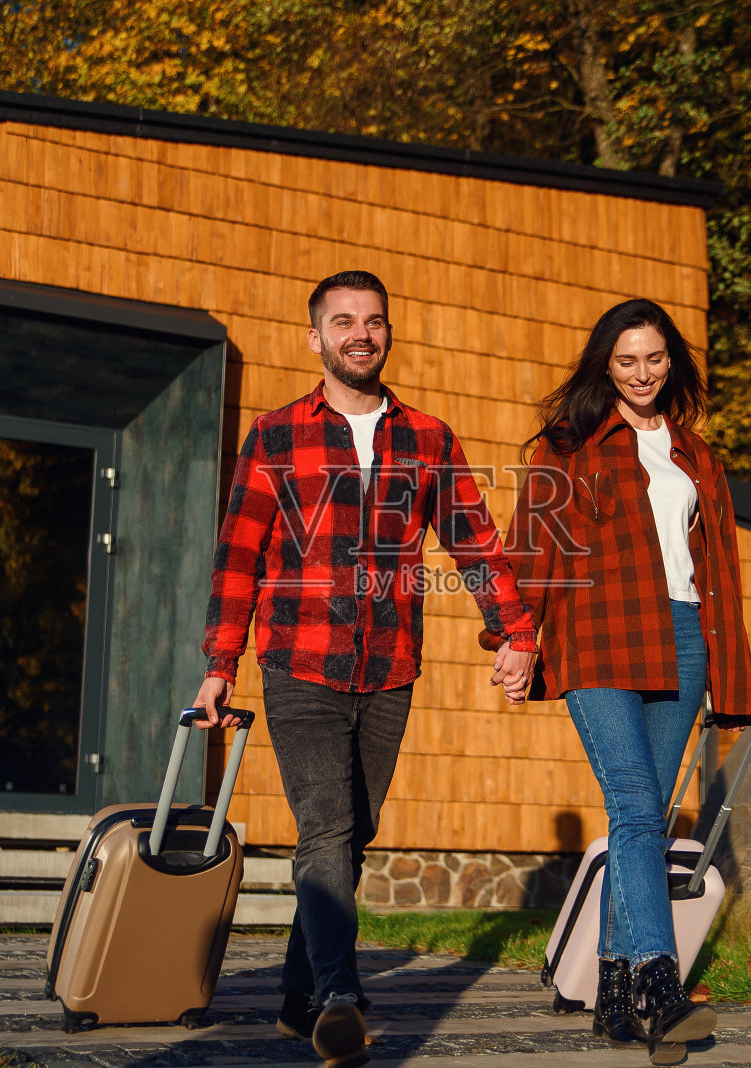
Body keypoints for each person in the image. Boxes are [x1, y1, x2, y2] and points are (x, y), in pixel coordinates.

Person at [192, 269, 537, 1068]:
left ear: (387, 333)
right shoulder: (277, 437)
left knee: (356, 833)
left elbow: (474, 542)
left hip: (389, 668)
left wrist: (514, 630)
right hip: (298, 661)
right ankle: (338, 999)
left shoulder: (429, 438)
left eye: (374, 321)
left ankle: (291, 996)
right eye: (343, 320)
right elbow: (238, 554)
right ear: (315, 337)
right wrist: (221, 662)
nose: (361, 333)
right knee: (328, 827)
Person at [495, 298, 751, 1065]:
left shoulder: (696, 455)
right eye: (625, 361)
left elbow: (720, 573)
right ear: (603, 366)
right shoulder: (567, 443)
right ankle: (657, 979)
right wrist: (515, 640)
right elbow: (533, 551)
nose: (641, 374)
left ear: (670, 361)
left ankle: (612, 992)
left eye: (653, 359)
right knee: (638, 803)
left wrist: (726, 669)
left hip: (681, 640)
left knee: (639, 817)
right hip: (598, 639)